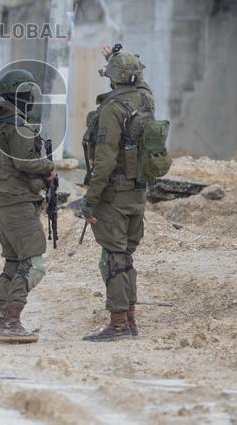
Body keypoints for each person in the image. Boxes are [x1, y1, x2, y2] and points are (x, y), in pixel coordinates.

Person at [80, 45, 155, 342]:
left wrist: (90, 200)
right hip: (138, 193)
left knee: (113, 259)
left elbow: (105, 160)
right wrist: (117, 59)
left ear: (113, 78)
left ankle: (119, 325)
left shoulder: (113, 109)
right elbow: (142, 81)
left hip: (114, 195)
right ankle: (129, 320)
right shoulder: (146, 100)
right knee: (125, 257)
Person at [0, 69, 54, 344]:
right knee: (34, 265)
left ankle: (3, 321)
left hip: (5, 201)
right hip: (18, 203)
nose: (31, 99)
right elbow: (24, 163)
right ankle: (11, 321)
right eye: (28, 94)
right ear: (19, 95)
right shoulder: (16, 125)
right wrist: (50, 167)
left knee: (14, 263)